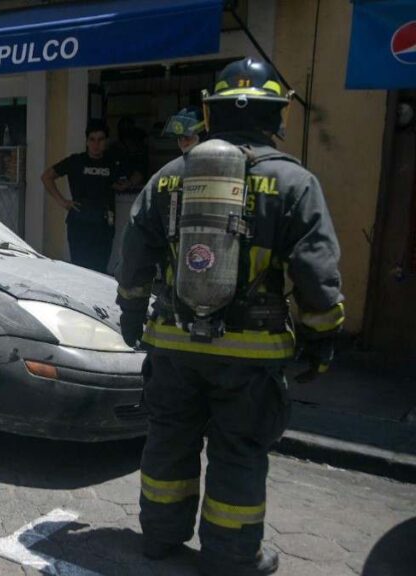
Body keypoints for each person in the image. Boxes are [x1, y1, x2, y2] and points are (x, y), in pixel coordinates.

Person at [116, 58, 344, 576]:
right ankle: (231, 555)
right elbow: (317, 275)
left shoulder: (169, 177)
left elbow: (134, 257)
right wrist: (320, 342)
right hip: (251, 356)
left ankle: (159, 538)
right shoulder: (294, 183)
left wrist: (132, 314)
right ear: (276, 115)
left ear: (208, 113)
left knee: (168, 442)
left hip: (172, 346)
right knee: (238, 453)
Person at [41, 118, 129, 273]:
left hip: (103, 224)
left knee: (100, 269)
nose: (96, 144)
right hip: (80, 223)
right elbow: (46, 176)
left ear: (106, 141)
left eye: (100, 140)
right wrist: (63, 202)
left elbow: (130, 177)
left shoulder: (112, 162)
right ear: (87, 141)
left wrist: (126, 184)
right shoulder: (76, 161)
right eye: (92, 140)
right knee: (79, 269)